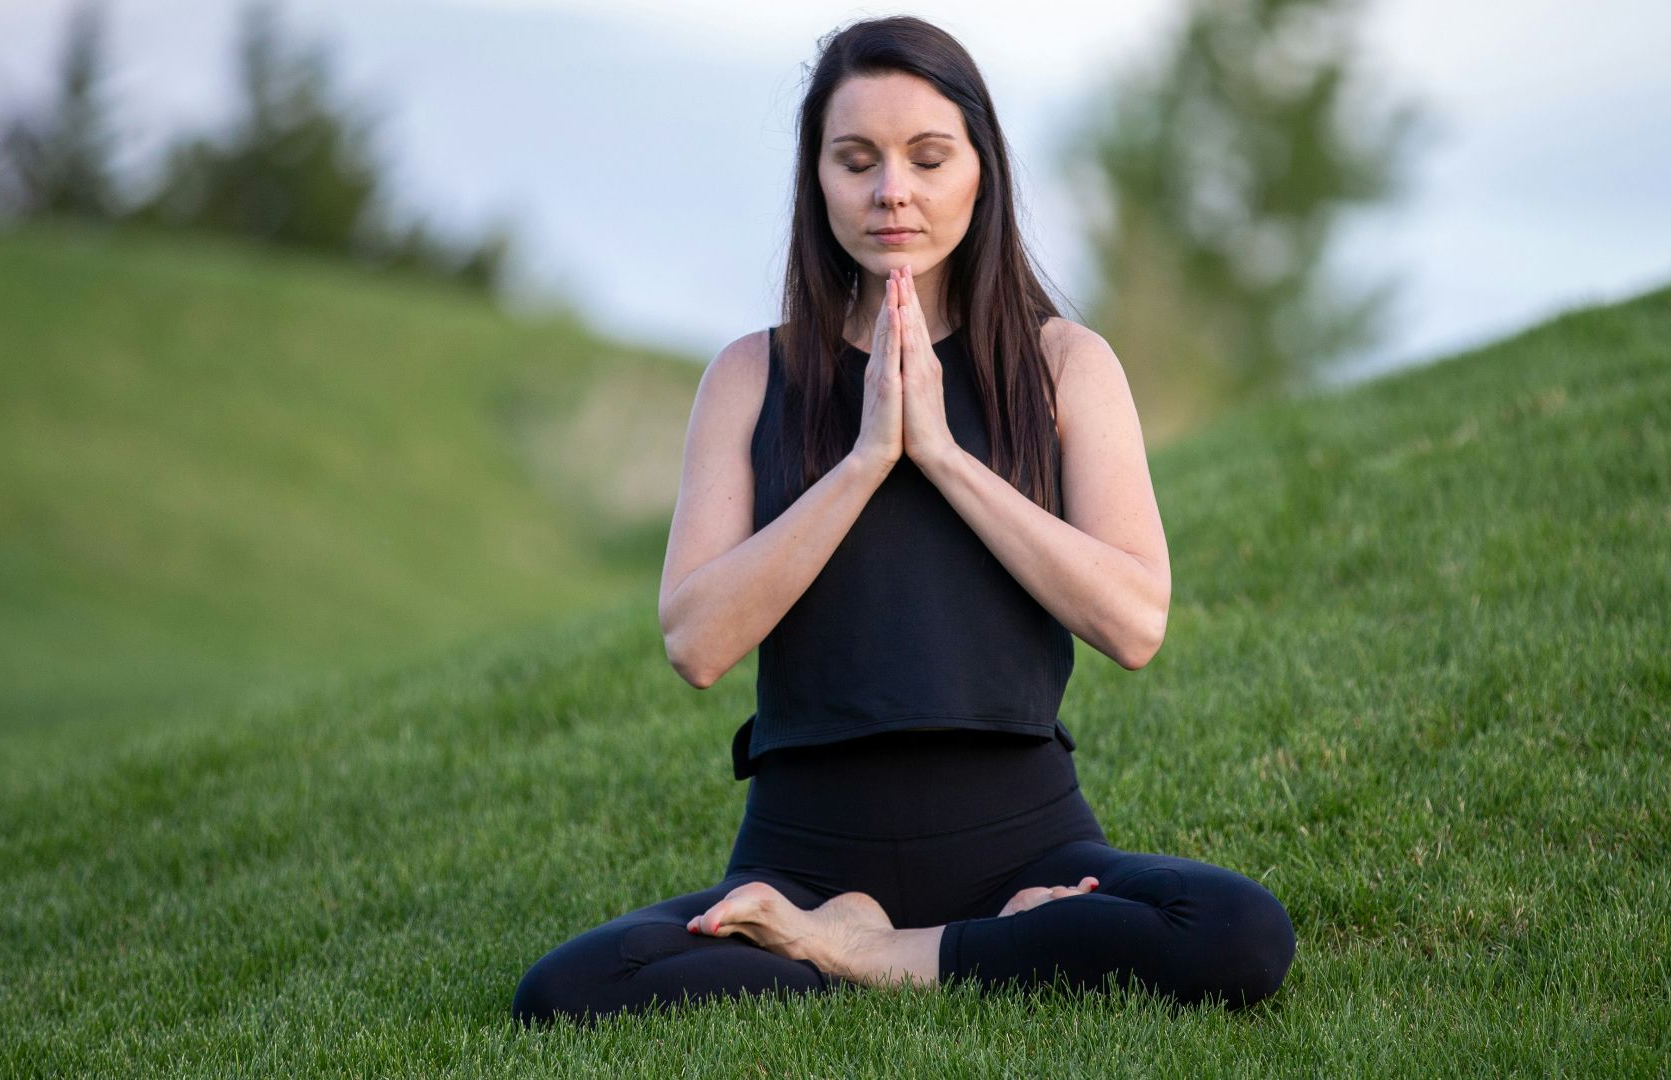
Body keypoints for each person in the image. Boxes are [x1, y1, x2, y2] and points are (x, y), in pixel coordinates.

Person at [511, 15, 1294, 1027]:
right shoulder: (750, 377)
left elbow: (1135, 623)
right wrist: (869, 455)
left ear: (981, 169)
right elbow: (695, 642)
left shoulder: (1066, 367)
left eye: (929, 157)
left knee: (1236, 932)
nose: (894, 190)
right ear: (818, 179)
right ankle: (925, 942)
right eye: (856, 160)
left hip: (1028, 842)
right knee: (567, 992)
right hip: (803, 854)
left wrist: (944, 455)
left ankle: (870, 954)